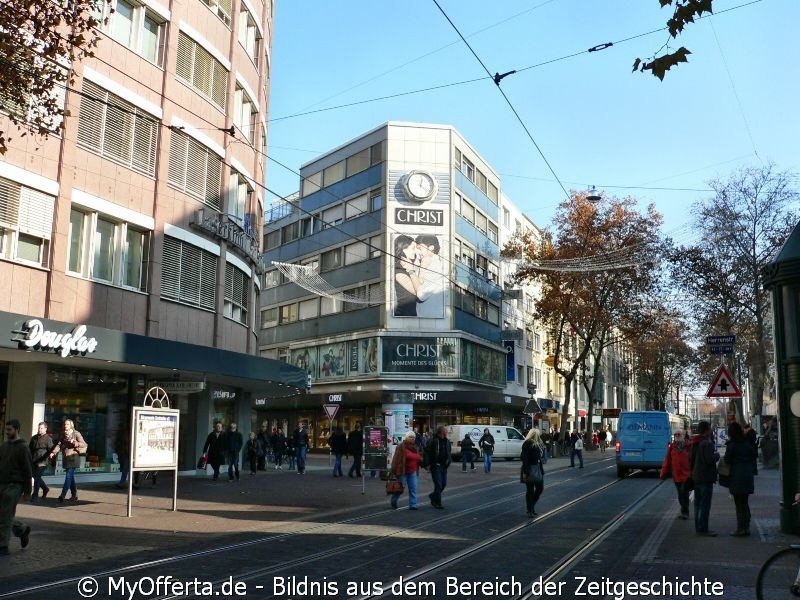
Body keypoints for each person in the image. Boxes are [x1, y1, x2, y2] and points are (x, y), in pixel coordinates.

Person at [0, 419, 33, 555]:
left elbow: (27, 470)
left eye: (9, 430)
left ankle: (2, 546)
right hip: (2, 483)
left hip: (15, 485)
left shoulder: (23, 447)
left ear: (17, 430)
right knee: (2, 514)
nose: (7, 433)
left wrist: (27, 491)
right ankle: (21, 529)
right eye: (6, 430)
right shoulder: (4, 447)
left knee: (5, 515)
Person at [724, 422, 757, 536]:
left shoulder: (732, 445)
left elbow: (727, 460)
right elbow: (753, 455)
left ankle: (740, 528)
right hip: (747, 475)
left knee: (739, 504)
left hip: (736, 475)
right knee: (745, 502)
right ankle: (746, 527)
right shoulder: (746, 443)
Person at [690, 420, 720, 536]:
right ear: (706, 430)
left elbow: (690, 459)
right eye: (709, 428)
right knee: (705, 504)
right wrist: (717, 455)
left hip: (696, 476)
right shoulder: (706, 443)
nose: (711, 430)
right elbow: (710, 459)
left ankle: (698, 527)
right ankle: (703, 529)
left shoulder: (695, 442)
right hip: (705, 477)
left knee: (697, 504)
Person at [49, 419, 87, 502]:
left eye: (67, 424)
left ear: (71, 425)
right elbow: (59, 444)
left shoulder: (76, 433)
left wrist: (75, 443)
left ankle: (62, 495)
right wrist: (53, 453)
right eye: (65, 424)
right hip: (66, 459)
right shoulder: (63, 435)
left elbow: (84, 444)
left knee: (68, 477)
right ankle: (74, 495)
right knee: (71, 478)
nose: (65, 426)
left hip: (74, 458)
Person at [660, 430, 691, 519]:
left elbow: (693, 459)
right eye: (675, 435)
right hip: (676, 475)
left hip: (686, 475)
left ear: (683, 436)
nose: (677, 436)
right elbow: (667, 460)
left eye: (679, 434)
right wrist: (663, 473)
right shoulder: (672, 447)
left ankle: (685, 512)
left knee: (684, 492)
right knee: (680, 494)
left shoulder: (689, 446)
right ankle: (683, 510)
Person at [389, 430, 422, 510]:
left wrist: (426, 465)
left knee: (413, 488)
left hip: (413, 472)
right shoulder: (401, 446)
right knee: (400, 489)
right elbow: (396, 459)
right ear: (406, 438)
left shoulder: (415, 447)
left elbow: (418, 458)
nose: (412, 439)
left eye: (413, 437)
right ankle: (393, 500)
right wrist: (393, 471)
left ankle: (413, 505)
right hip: (403, 472)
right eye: (410, 437)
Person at [414, 234, 445, 318]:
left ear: (431, 247)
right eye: (416, 249)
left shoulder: (435, 266)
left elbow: (421, 295)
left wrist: (422, 268)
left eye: (420, 248)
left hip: (431, 319)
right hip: (424, 318)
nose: (417, 252)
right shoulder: (425, 262)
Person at [423, 426, 451, 509]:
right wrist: (427, 463)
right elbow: (427, 452)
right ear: (442, 432)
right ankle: (438, 502)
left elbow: (448, 452)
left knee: (443, 484)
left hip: (444, 466)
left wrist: (449, 460)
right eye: (446, 432)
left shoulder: (447, 441)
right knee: (438, 484)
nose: (447, 433)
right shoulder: (433, 441)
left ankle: (433, 496)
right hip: (436, 466)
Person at [520, 428, 546, 518]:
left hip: (537, 469)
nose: (537, 436)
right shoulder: (527, 444)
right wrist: (527, 471)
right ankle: (530, 509)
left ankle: (531, 507)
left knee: (540, 489)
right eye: (536, 434)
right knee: (530, 490)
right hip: (530, 468)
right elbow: (524, 458)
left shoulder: (538, 444)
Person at [394, 235, 420, 316]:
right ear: (403, 249)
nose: (416, 251)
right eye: (413, 248)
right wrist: (412, 270)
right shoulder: (398, 270)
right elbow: (420, 293)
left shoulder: (411, 267)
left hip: (412, 315)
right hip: (403, 316)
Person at [29, 421, 53, 500]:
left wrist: (51, 456)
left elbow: (51, 449)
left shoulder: (48, 439)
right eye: (39, 428)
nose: (40, 429)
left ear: (45, 429)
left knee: (37, 477)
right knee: (35, 476)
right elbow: (30, 449)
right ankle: (45, 489)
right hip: (34, 460)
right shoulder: (34, 438)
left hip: (43, 462)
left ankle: (35, 495)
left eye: (41, 428)